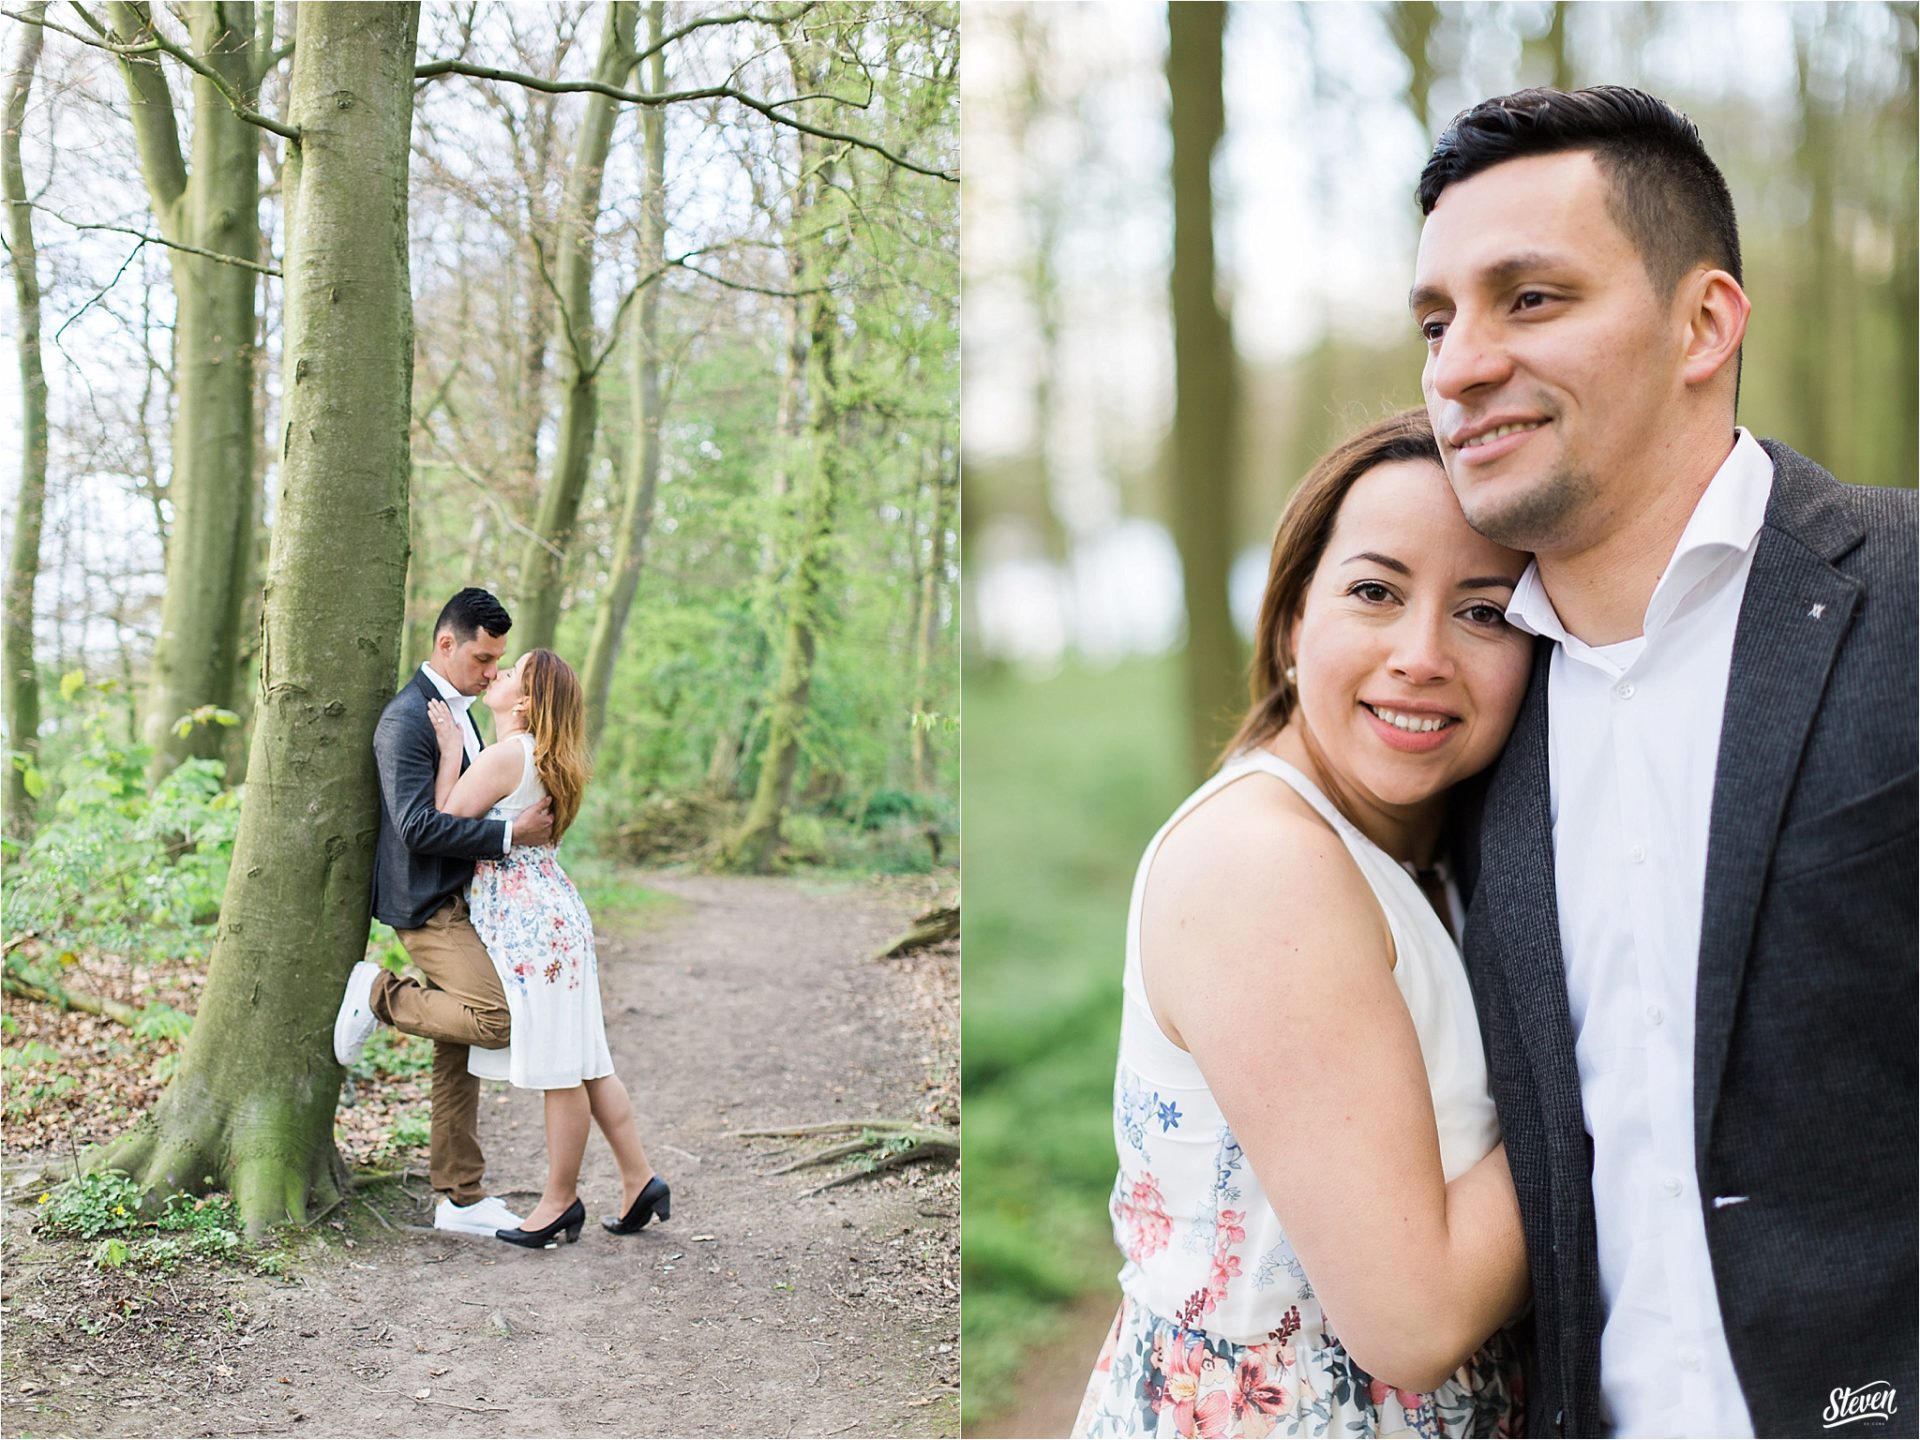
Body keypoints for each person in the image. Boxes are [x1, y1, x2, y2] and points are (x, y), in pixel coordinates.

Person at [1411, 86, 1917, 1437]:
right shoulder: (1458, 727)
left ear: (1704, 324)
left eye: (1530, 299)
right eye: (1437, 320)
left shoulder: (1908, 593)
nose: (1458, 365)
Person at [1074, 409, 1535, 1438]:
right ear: (1290, 620)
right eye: (1375, 592)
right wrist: (1624, 1069)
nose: (1421, 655)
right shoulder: (1263, 864)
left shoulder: (1419, 846)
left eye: (1484, 612)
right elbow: (1412, 1321)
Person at [425, 647, 669, 1248]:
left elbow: (444, 822)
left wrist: (453, 753)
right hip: (559, 916)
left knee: (564, 1066)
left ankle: (559, 1201)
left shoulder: (510, 755)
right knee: (588, 1060)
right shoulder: (552, 758)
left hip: (529, 927)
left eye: (511, 674)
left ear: (528, 701)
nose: (497, 676)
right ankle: (639, 1179)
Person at [333, 588, 554, 1236]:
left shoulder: (462, 713)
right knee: (496, 1016)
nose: (492, 672)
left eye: (499, 662)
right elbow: (415, 827)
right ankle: (377, 993)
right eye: (484, 658)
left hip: (465, 900)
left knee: (455, 1046)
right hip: (425, 904)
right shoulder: (406, 720)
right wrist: (513, 837)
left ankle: (459, 1195)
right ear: (446, 643)